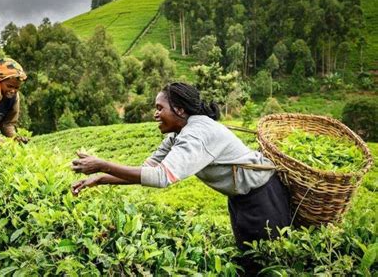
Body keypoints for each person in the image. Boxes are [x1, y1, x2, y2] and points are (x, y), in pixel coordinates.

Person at [71, 82, 291, 275]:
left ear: (179, 109)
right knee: (248, 261)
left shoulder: (196, 134)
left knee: (269, 265)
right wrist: (99, 178)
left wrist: (101, 164)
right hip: (239, 198)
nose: (155, 114)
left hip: (263, 198)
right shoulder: (177, 134)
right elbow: (147, 170)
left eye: (160, 108)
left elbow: (161, 178)